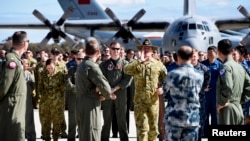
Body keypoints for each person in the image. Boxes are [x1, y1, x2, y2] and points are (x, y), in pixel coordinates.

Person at [124, 38, 167, 141]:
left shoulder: (158, 64)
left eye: (148, 48)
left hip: (153, 102)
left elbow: (167, 79)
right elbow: (126, 70)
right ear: (141, 50)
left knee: (153, 130)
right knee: (142, 130)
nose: (146, 50)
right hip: (140, 102)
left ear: (152, 51)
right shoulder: (136, 63)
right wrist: (139, 60)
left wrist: (163, 88)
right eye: (144, 48)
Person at [75, 37, 115, 141]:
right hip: (90, 104)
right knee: (92, 133)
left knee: (84, 134)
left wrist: (97, 91)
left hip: (80, 102)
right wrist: (106, 95)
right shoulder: (92, 66)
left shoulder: (82, 65)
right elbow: (106, 88)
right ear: (98, 52)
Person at [164, 46, 204, 141]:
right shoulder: (200, 75)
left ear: (178, 57)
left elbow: (164, 92)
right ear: (191, 57)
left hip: (174, 118)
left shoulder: (172, 74)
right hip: (192, 119)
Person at [100, 41, 132, 141]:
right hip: (107, 95)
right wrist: (108, 92)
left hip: (121, 94)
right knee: (107, 119)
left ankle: (124, 138)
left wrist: (114, 89)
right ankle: (104, 139)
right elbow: (101, 79)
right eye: (113, 48)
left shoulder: (125, 64)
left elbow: (127, 79)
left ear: (120, 50)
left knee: (122, 119)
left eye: (117, 49)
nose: (115, 51)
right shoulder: (104, 65)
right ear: (110, 49)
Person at [0, 31, 29, 140]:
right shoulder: (11, 60)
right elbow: (4, 87)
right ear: (24, 43)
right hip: (12, 109)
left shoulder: (16, 59)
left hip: (16, 107)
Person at [216, 39, 250, 125]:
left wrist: (223, 103)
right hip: (238, 107)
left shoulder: (226, 66)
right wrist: (239, 100)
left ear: (218, 51)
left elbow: (228, 87)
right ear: (232, 51)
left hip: (228, 109)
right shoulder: (240, 67)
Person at [201, 46, 222, 136]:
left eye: (212, 52)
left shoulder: (220, 66)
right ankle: (205, 134)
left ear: (216, 53)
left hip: (215, 94)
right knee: (205, 115)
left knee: (215, 115)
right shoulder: (202, 65)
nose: (209, 54)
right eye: (208, 52)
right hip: (205, 94)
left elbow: (223, 79)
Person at [191, 49, 211, 139]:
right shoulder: (185, 69)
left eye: (194, 56)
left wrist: (202, 89)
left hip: (200, 100)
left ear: (198, 57)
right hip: (188, 102)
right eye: (191, 56)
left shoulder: (204, 69)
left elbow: (207, 80)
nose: (193, 58)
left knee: (201, 121)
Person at [66, 51, 85, 141]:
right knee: (72, 119)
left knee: (83, 119)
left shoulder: (88, 70)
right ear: (75, 59)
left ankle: (82, 137)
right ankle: (71, 137)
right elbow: (67, 82)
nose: (80, 60)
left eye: (82, 59)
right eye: (78, 59)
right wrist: (76, 89)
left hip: (85, 97)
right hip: (73, 96)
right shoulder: (71, 70)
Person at [23, 58, 37, 141]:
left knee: (29, 118)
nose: (27, 66)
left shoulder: (28, 74)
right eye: (25, 64)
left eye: (28, 64)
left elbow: (33, 85)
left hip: (27, 98)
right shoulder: (16, 72)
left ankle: (31, 136)